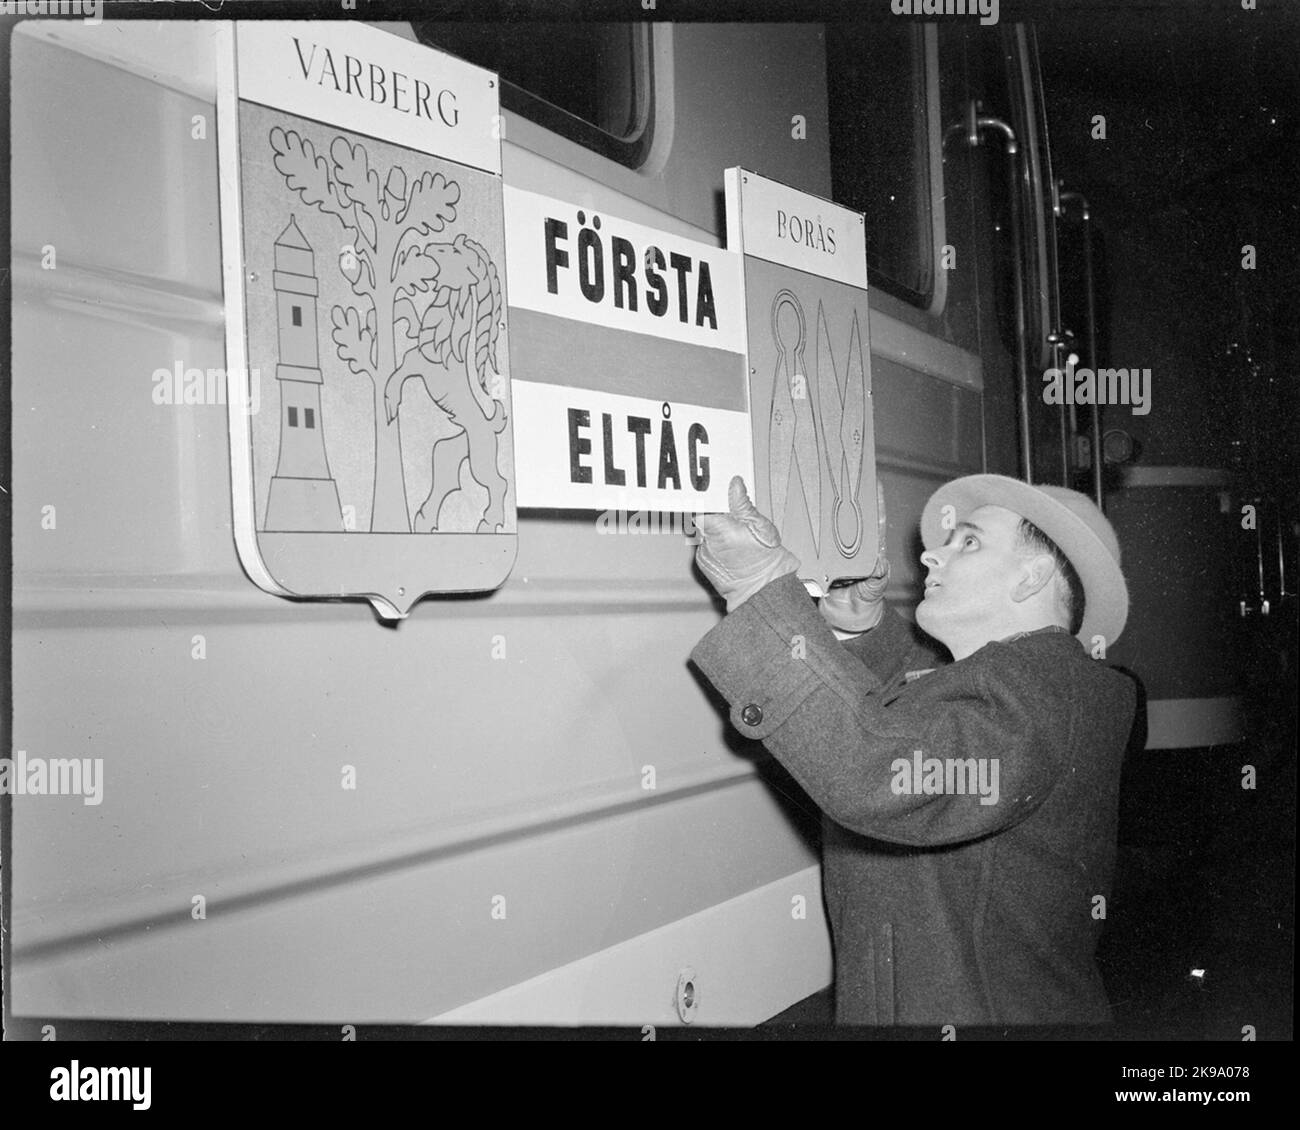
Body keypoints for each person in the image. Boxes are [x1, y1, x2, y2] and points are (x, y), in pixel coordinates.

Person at [690, 473, 1137, 1026]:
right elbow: (932, 718)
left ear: (1033, 576)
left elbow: (884, 773)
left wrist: (760, 588)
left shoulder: (1035, 698)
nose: (930, 556)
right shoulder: (1044, 688)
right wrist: (864, 631)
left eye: (967, 542)